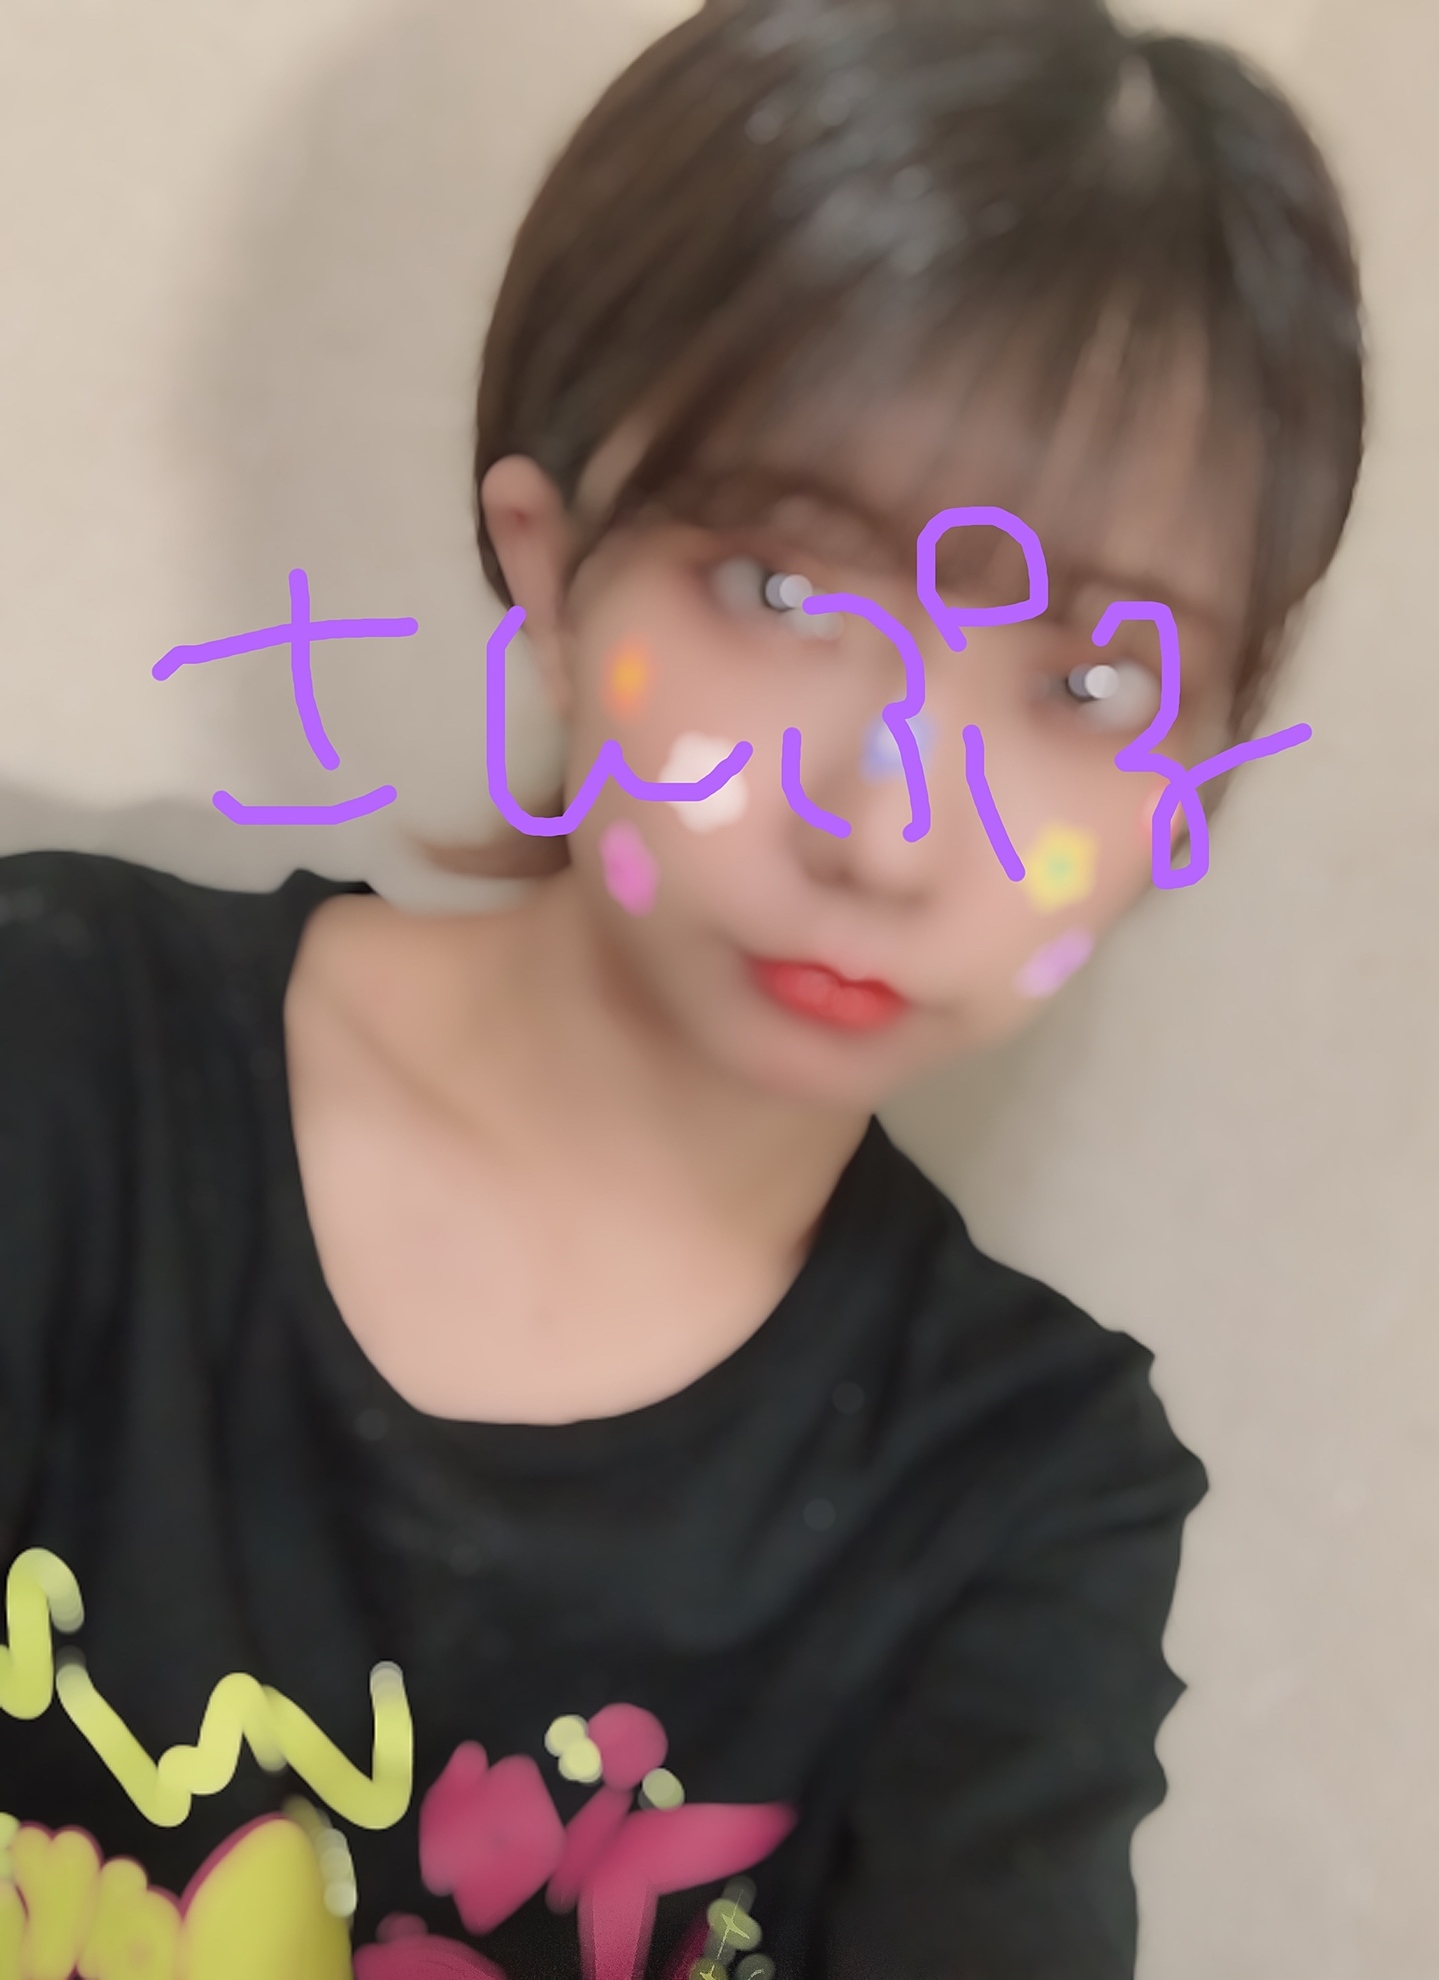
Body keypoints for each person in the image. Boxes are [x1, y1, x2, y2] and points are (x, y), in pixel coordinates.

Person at [0, 1, 1364, 1977]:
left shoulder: (1019, 1489)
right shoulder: (60, 1061)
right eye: (783, 590)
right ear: (551, 575)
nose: (888, 827)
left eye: (1086, 685)